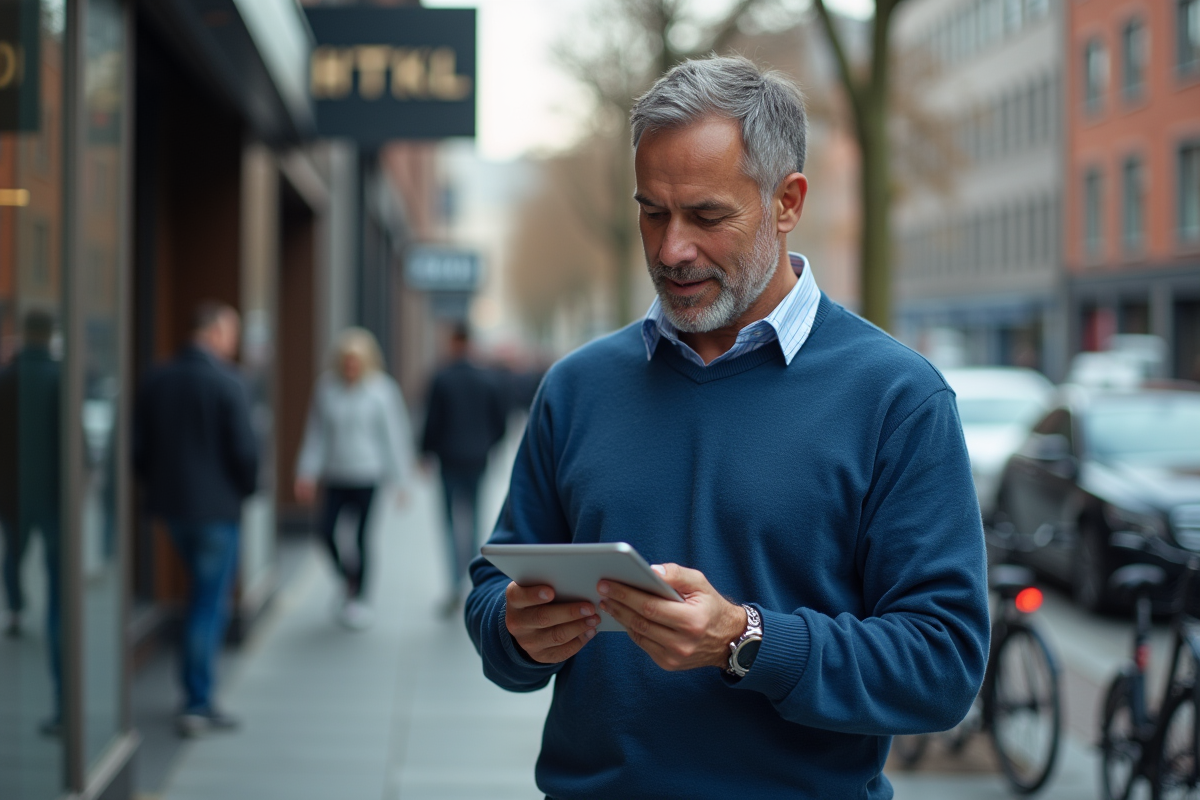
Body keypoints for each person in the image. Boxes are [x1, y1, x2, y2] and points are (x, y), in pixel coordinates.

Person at [465, 56, 990, 798]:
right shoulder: (577, 388)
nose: (672, 249)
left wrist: (748, 641)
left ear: (787, 201)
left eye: (707, 217)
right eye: (653, 212)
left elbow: (943, 666)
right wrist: (516, 631)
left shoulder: (897, 398)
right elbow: (495, 589)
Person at [134, 302, 258, 739]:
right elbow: (246, 451)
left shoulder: (158, 378)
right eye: (233, 334)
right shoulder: (230, 381)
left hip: (172, 509)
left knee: (198, 599)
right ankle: (197, 701)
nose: (235, 343)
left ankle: (194, 692)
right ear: (218, 333)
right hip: (217, 512)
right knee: (208, 604)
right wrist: (246, 490)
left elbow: (139, 449)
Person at [295, 327, 413, 630]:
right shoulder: (327, 388)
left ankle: (359, 598)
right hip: (335, 475)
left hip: (367, 475)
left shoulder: (382, 390)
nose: (351, 367)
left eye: (356, 361)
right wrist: (306, 473)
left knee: (361, 538)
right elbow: (316, 434)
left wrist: (402, 481)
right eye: (346, 361)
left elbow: (394, 437)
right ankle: (348, 578)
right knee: (324, 532)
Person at [0, 310, 64, 736]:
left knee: (14, 552)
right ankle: (51, 616)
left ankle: (18, 608)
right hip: (53, 493)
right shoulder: (60, 377)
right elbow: (70, 438)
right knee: (55, 568)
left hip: (13, 489)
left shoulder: (7, 377)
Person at [420, 322, 508, 616]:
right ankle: (474, 583)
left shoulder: (441, 378)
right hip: (477, 459)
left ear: (452, 342)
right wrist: (487, 446)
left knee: (448, 524)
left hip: (449, 460)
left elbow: (431, 421)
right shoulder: (487, 379)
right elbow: (501, 423)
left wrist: (424, 452)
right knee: (473, 522)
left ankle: (453, 586)